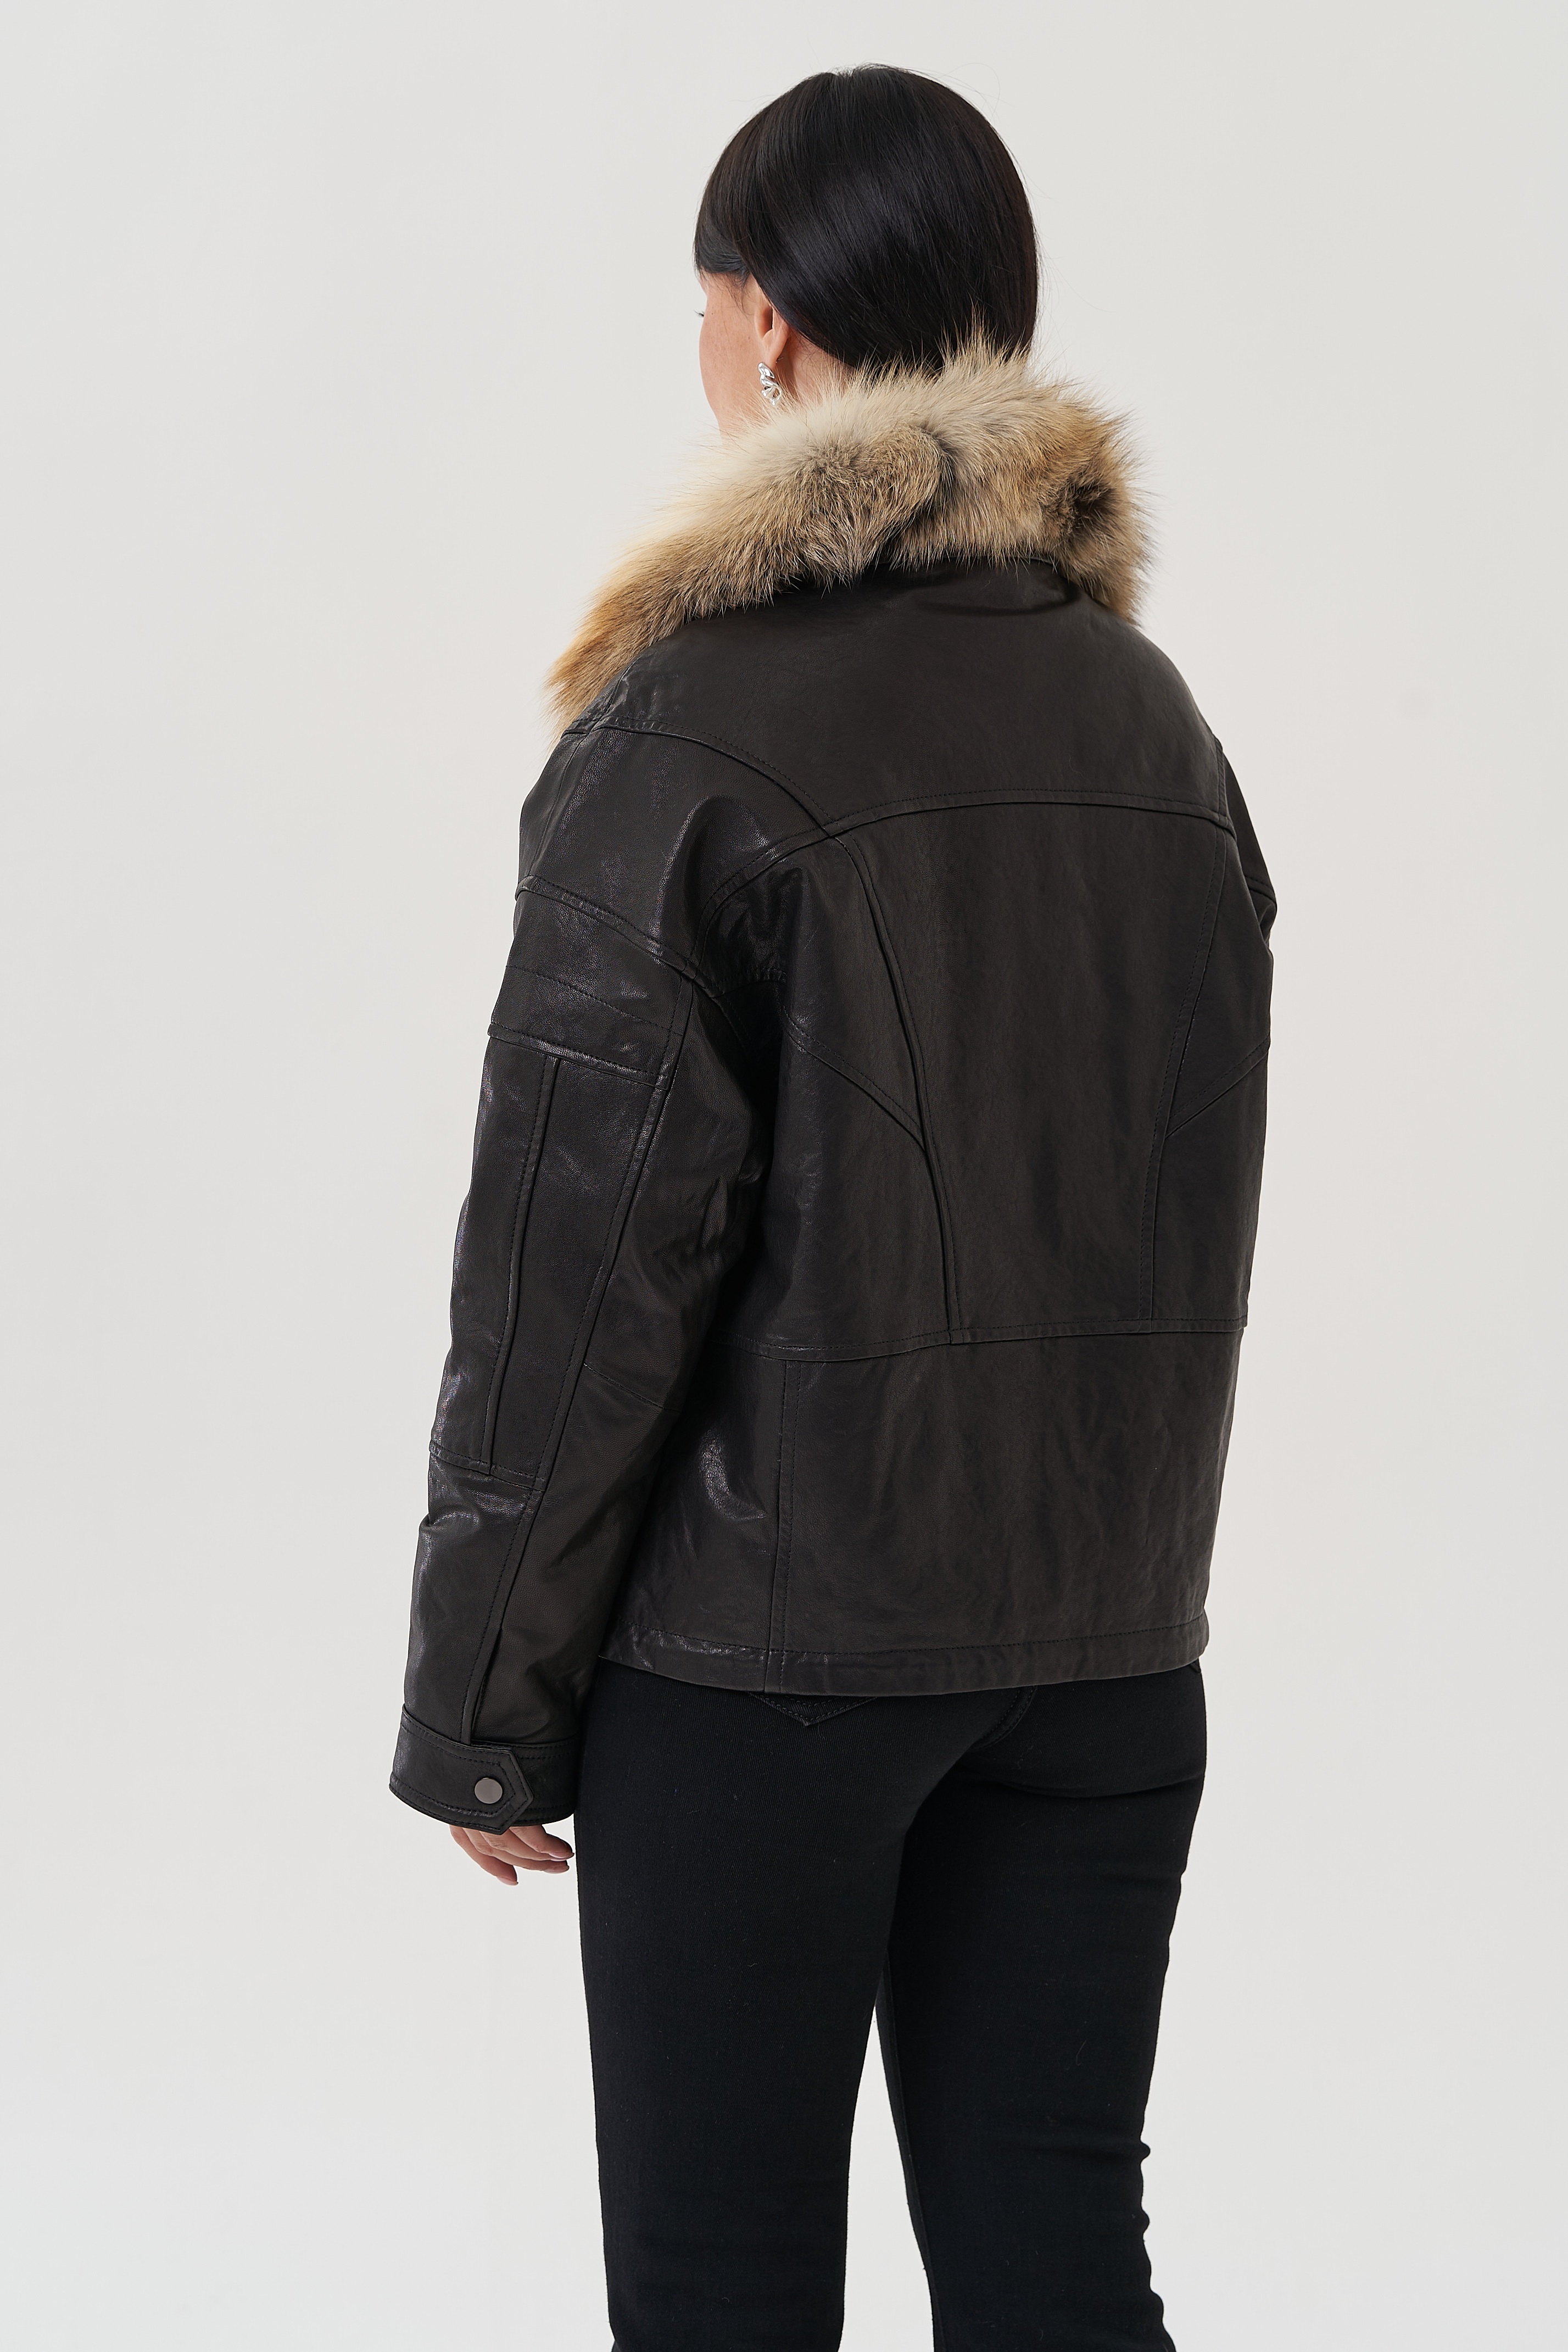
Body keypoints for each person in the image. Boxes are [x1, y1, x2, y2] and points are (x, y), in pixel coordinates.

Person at [390, 63, 1274, 2352]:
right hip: (1105, 1651)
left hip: (764, 1672)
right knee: (1061, 2260)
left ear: (771, 327)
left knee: (725, 2294)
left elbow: (581, 1257)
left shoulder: (688, 726)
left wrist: (487, 1691)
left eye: (706, 307)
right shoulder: (1156, 727)